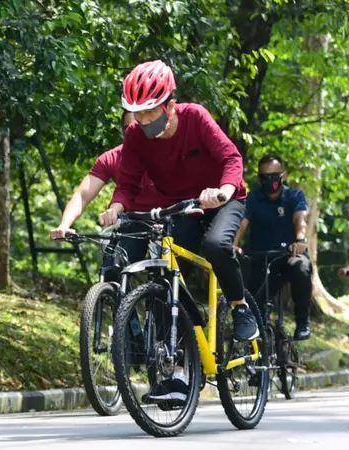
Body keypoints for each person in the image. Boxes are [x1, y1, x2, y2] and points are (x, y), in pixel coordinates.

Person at [99, 60, 253, 404]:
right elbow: (128, 181)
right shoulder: (136, 136)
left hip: (224, 197)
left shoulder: (196, 118)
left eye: (149, 113)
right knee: (170, 280)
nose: (140, 121)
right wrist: (117, 206)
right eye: (135, 113)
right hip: (181, 205)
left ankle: (241, 307)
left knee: (216, 245)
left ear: (169, 105)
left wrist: (224, 191)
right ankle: (180, 374)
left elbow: (231, 158)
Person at [51, 111, 165, 267]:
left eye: (141, 126)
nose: (137, 131)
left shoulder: (166, 150)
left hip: (169, 217)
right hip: (133, 221)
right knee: (112, 266)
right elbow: (82, 195)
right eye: (128, 128)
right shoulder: (111, 158)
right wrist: (64, 225)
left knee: (170, 274)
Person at [233, 154, 311, 340]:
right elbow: (241, 224)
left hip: (289, 254)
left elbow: (300, 219)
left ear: (283, 175)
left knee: (301, 268)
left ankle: (302, 323)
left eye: (274, 175)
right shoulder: (252, 199)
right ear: (260, 177)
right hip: (262, 259)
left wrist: (300, 240)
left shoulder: (294, 196)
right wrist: (233, 246)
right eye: (265, 176)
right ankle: (259, 349)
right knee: (255, 304)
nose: (270, 180)